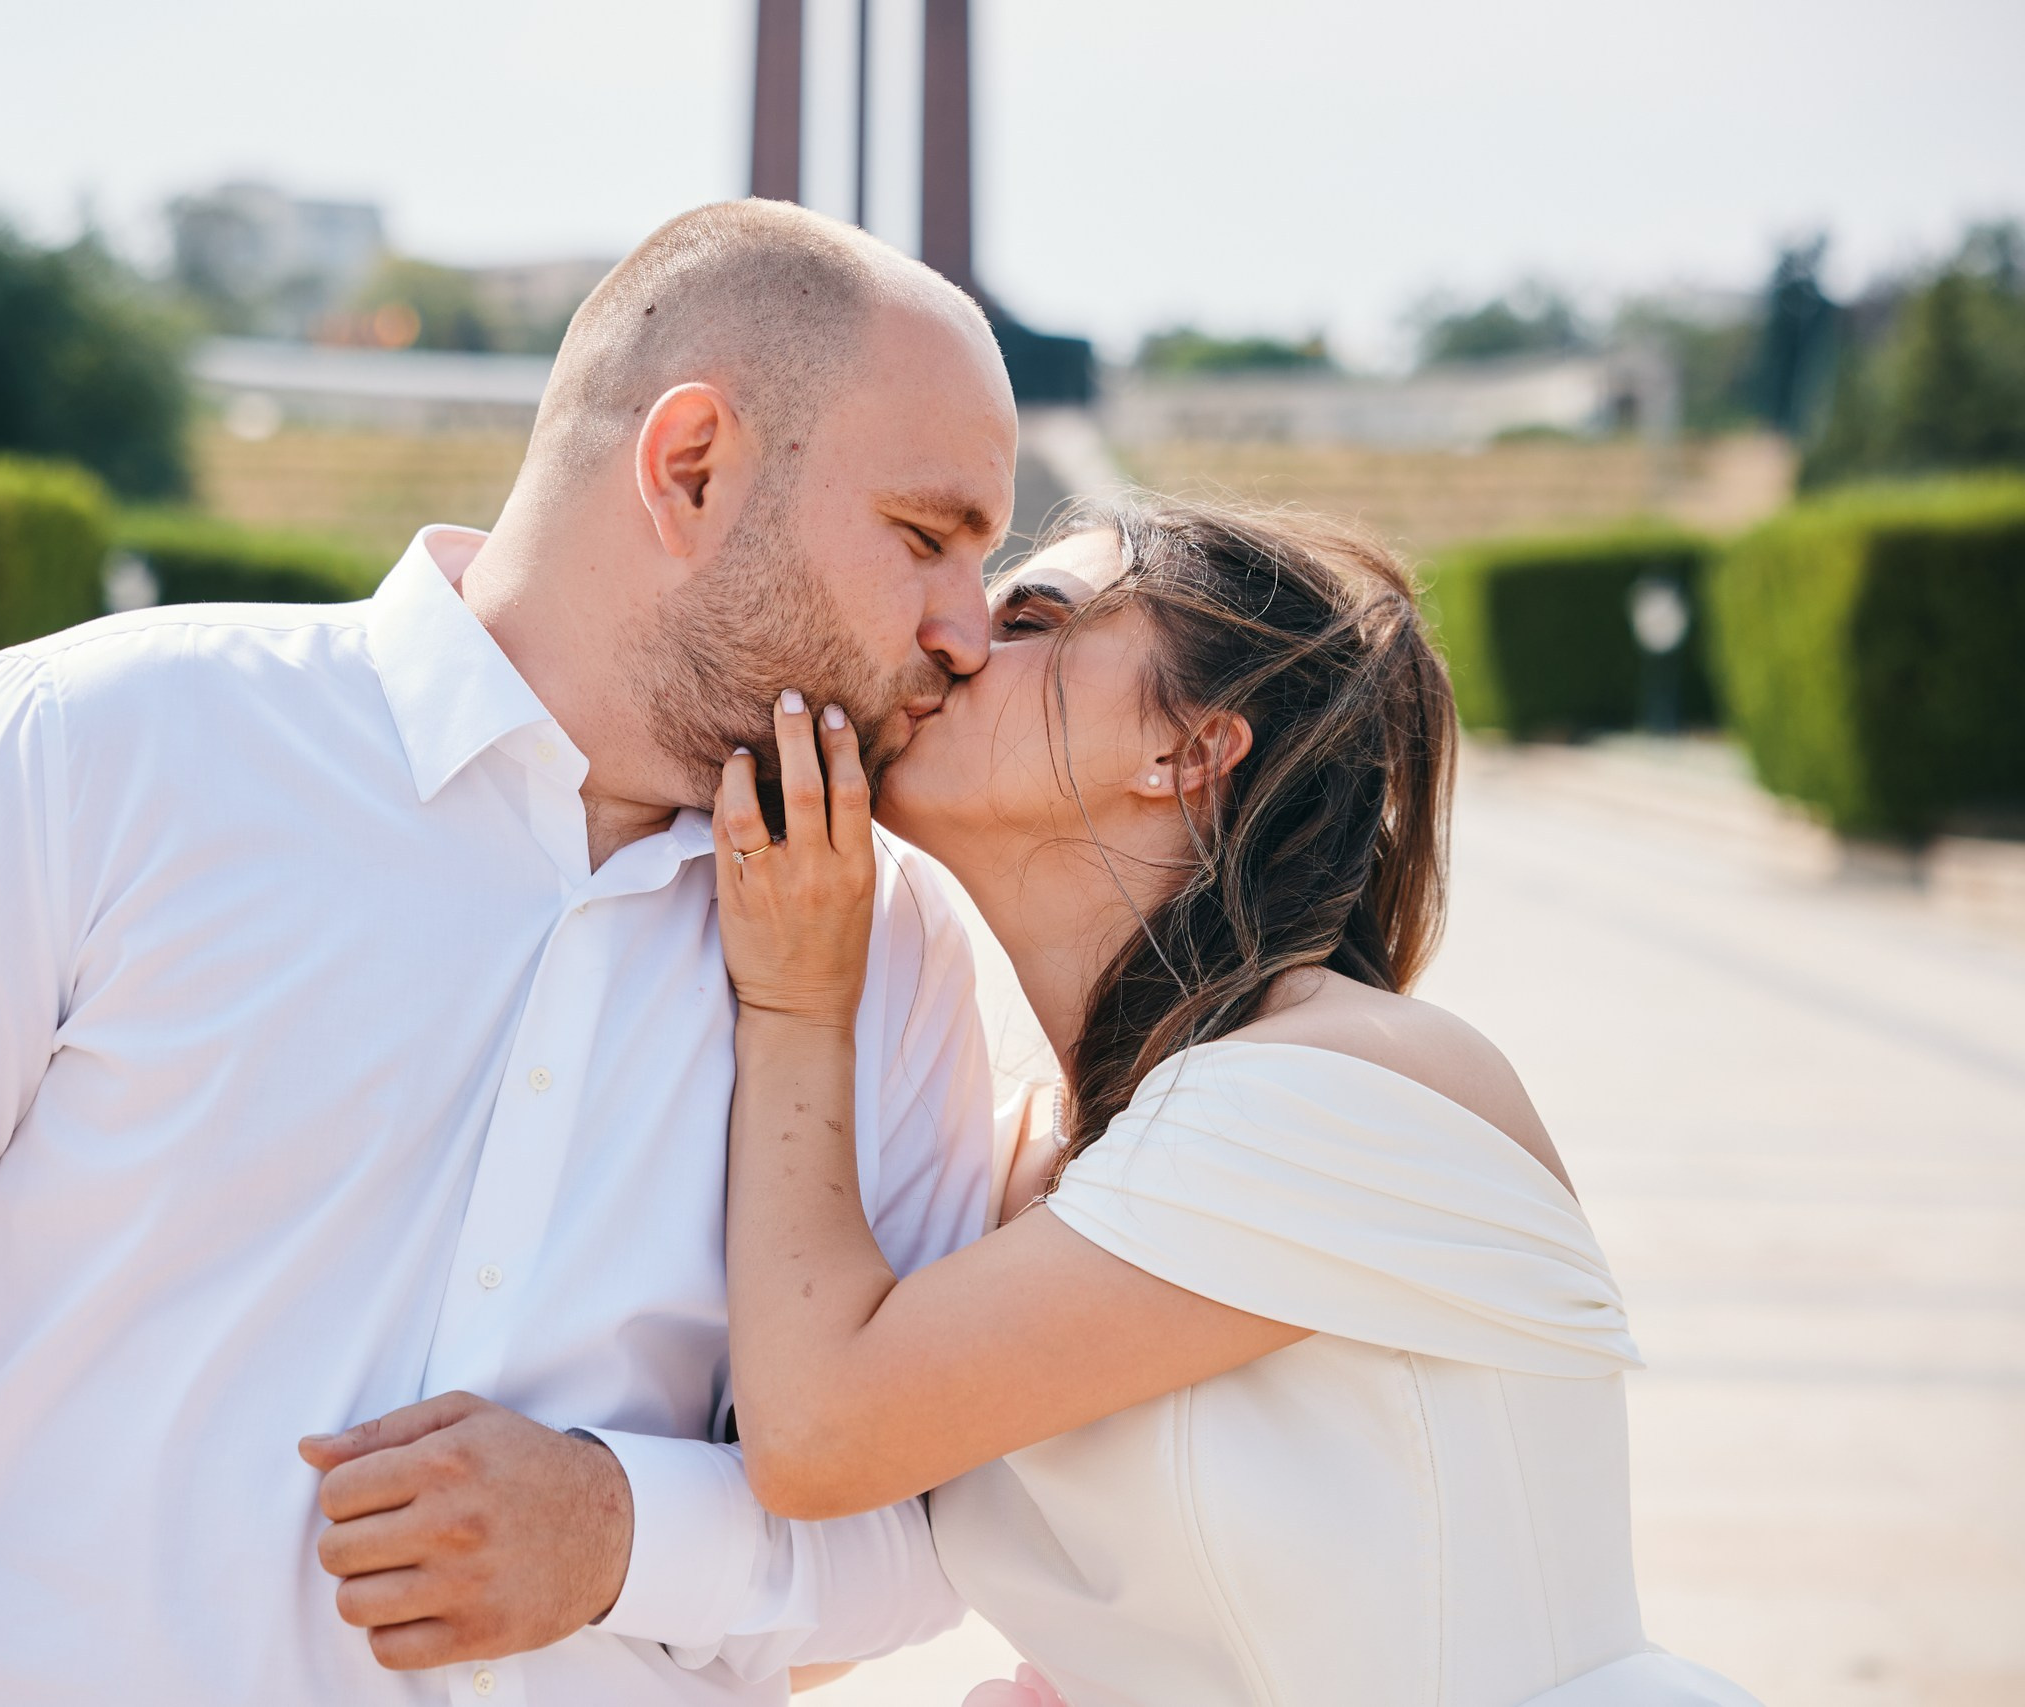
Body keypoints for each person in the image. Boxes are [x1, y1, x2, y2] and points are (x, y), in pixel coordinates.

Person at [0, 200, 1016, 1704]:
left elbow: (927, 1534)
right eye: (926, 539)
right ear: (689, 470)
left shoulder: (898, 956)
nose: (968, 631)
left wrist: (623, 1530)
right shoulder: (97, 744)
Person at [705, 500, 1766, 1706]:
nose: (952, 639)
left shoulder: (1338, 1087)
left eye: (1034, 617)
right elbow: (809, 1615)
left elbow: (817, 1437)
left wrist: (797, 1001)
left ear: (1189, 751)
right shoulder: (1036, 1160)